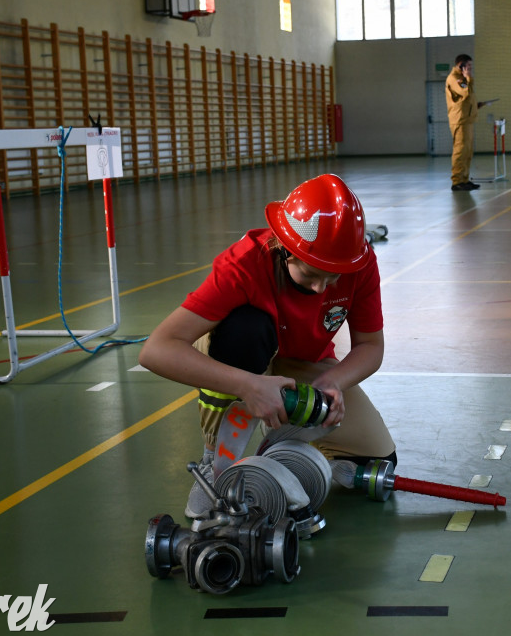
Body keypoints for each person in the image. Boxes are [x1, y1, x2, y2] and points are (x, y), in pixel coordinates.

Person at [138, 173, 396, 519]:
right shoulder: (243, 264)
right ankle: (217, 458)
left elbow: (370, 347)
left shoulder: (359, 264)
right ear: (284, 250)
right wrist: (249, 385)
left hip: (302, 362)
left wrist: (334, 381)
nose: (322, 289)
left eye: (332, 278)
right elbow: (157, 349)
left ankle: (277, 449)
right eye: (310, 275)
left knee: (378, 461)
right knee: (244, 330)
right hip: (243, 360)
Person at [445, 54, 489, 191]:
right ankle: (456, 181)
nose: (470, 69)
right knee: (460, 151)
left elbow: (467, 98)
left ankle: (464, 179)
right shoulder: (454, 78)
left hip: (467, 120)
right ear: (461, 65)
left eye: (471, 66)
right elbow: (466, 93)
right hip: (459, 121)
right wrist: (468, 77)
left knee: (468, 152)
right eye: (468, 66)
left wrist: (476, 105)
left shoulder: (463, 79)